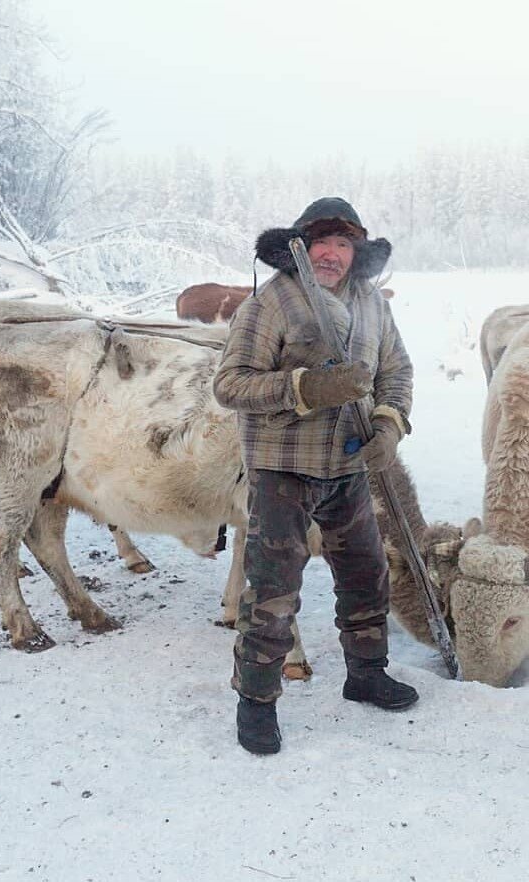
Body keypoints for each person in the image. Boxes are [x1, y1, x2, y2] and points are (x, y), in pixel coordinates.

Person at [214, 197, 417, 755]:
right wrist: (304, 388)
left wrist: (388, 424)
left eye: (343, 244)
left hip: (349, 465)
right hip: (284, 467)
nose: (331, 254)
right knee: (274, 589)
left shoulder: (372, 303)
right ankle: (256, 701)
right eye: (321, 242)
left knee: (367, 573)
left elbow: (396, 370)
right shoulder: (273, 302)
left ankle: (366, 673)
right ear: (301, 246)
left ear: (358, 253)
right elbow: (229, 385)